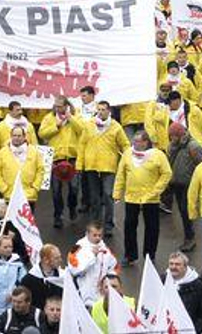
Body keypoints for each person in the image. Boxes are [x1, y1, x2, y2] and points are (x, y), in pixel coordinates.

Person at [113, 131, 173, 265]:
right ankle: (130, 255)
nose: (134, 144)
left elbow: (167, 173)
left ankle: (150, 255)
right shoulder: (127, 154)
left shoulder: (158, 155)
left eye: (137, 141)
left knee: (152, 227)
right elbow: (121, 174)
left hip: (150, 198)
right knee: (129, 226)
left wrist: (156, 190)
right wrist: (117, 193)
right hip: (131, 197)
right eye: (134, 141)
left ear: (145, 142)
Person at [79, 100, 129, 233]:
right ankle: (96, 224)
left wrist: (128, 159)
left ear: (109, 111)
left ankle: (109, 224)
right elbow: (82, 144)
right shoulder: (89, 125)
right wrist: (80, 163)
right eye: (99, 110)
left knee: (108, 194)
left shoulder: (116, 127)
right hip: (91, 165)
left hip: (108, 166)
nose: (100, 112)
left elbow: (125, 144)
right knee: (94, 197)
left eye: (103, 110)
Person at [39, 96, 83, 228]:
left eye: (60, 106)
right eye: (56, 106)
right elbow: (42, 134)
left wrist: (71, 119)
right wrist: (56, 126)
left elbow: (82, 130)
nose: (57, 108)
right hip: (55, 159)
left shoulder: (75, 115)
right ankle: (58, 215)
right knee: (56, 191)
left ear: (66, 105)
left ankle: (72, 207)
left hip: (72, 158)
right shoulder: (49, 118)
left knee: (74, 188)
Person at [166, 121, 202, 252]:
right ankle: (188, 236)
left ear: (180, 134)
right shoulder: (172, 146)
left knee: (186, 210)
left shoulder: (193, 146)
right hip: (176, 184)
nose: (172, 138)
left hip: (189, 184)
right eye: (170, 136)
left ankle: (190, 237)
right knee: (182, 211)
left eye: (174, 136)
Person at [67, 221, 119, 308]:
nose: (97, 238)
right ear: (87, 234)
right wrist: (92, 256)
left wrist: (107, 282)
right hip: (84, 294)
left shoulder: (105, 249)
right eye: (94, 235)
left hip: (100, 295)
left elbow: (114, 267)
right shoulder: (78, 248)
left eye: (100, 235)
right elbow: (74, 270)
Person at [165, 251, 202, 333]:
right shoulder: (162, 280)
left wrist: (194, 330)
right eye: (171, 264)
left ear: (185, 267)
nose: (173, 267)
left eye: (177, 264)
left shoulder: (198, 285)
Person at [19, 243, 63, 309]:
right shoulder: (29, 280)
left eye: (60, 257)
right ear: (46, 260)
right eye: (56, 258)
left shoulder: (63, 277)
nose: (60, 260)